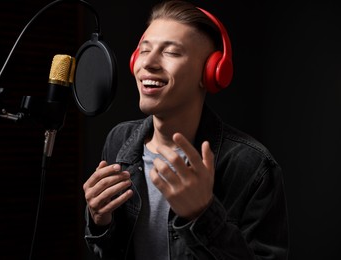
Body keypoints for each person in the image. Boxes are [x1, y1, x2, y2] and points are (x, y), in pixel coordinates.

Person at [82, 0, 289, 259]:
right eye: (144, 50)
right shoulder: (118, 140)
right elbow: (107, 252)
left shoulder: (253, 167)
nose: (149, 63)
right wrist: (100, 222)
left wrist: (202, 216)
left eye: (171, 52)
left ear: (212, 72)